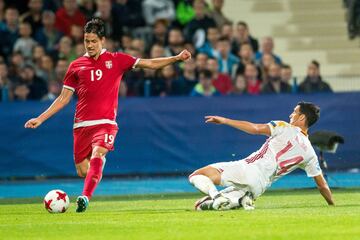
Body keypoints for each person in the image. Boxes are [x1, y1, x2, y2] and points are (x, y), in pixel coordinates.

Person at [24, 18, 191, 213]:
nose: (90, 45)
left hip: (105, 123)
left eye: (94, 41)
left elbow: (150, 64)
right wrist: (40, 118)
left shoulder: (117, 60)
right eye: (87, 41)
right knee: (83, 171)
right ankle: (97, 165)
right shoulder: (76, 66)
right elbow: (63, 98)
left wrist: (176, 58)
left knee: (97, 153)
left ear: (102, 40)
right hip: (81, 125)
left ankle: (85, 197)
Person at [189, 102, 334, 211]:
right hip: (260, 186)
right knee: (200, 206)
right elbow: (322, 185)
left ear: (302, 117)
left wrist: (226, 121)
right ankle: (240, 200)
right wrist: (332, 205)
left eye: (294, 112)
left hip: (249, 168)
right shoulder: (310, 153)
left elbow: (255, 128)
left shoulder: (284, 126)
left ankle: (216, 195)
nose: (291, 115)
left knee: (197, 175)